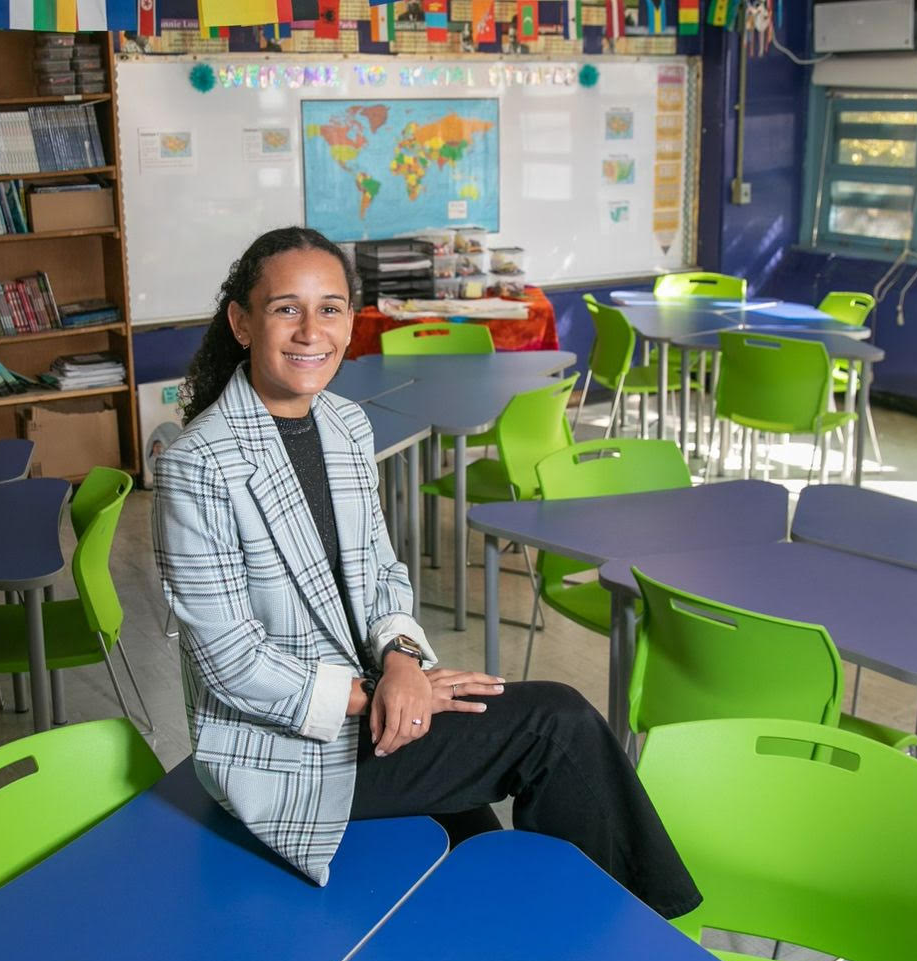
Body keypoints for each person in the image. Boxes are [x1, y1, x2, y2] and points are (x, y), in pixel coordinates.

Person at [151, 226, 700, 918]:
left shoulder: (345, 425)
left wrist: (404, 661)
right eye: (286, 308)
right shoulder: (197, 465)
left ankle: (555, 940)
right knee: (554, 724)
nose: (310, 330)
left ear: (352, 320)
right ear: (241, 322)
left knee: (476, 838)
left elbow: (381, 571)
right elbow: (231, 663)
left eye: (331, 308)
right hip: (280, 752)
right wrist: (377, 694)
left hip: (374, 707)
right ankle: (646, 930)